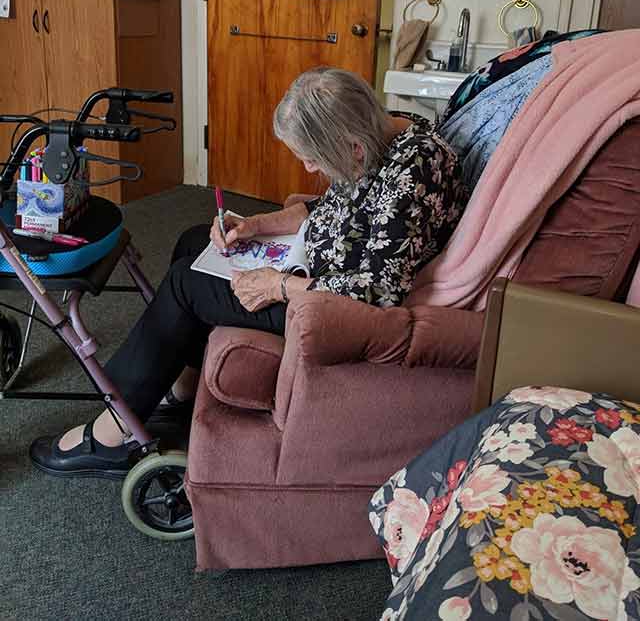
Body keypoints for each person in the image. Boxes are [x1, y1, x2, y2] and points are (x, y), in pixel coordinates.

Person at [30, 67, 467, 478]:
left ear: (351, 147)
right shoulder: (380, 132)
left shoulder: (412, 175)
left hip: (331, 310)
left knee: (187, 282)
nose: (310, 170)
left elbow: (377, 293)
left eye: (312, 159)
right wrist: (253, 226)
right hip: (318, 266)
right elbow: (339, 212)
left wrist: (277, 285)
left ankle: (115, 430)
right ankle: (182, 383)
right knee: (194, 240)